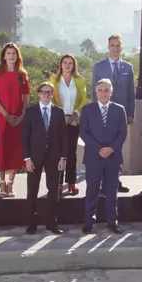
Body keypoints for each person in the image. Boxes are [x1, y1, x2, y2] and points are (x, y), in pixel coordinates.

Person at [79, 79, 127, 234]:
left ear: (111, 92)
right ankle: (88, 222)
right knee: (92, 190)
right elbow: (84, 133)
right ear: (96, 92)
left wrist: (111, 148)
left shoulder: (120, 110)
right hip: (94, 157)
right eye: (100, 90)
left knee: (111, 191)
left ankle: (112, 222)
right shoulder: (87, 110)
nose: (104, 93)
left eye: (107, 90)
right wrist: (99, 149)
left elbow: (122, 133)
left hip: (113, 157)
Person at [91, 34, 135, 193]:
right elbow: (92, 92)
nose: (115, 48)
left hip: (120, 114)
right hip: (102, 113)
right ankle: (103, 182)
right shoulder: (99, 67)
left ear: (121, 48)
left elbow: (131, 91)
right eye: (113, 45)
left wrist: (131, 112)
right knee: (103, 147)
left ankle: (116, 180)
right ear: (108, 47)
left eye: (118, 46)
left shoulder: (128, 67)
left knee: (117, 147)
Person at [22, 82, 67, 235]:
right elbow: (25, 137)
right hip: (34, 157)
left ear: (52, 94)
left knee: (53, 190)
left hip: (54, 156)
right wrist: (27, 158)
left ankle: (52, 223)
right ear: (38, 94)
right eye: (44, 92)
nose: (47, 95)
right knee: (32, 190)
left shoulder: (59, 112)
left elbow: (63, 137)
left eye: (49, 92)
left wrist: (63, 157)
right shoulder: (30, 112)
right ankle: (31, 223)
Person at [0, 42, 30, 197]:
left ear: (17, 56)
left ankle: (11, 183)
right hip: (2, 117)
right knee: (2, 148)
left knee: (15, 149)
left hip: (19, 117)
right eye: (9, 53)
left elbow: (26, 98)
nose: (11, 56)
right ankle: (1, 182)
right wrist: (6, 115)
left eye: (14, 53)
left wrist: (21, 116)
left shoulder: (23, 74)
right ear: (4, 56)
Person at [50, 54, 88, 196]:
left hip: (73, 121)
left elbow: (84, 101)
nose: (67, 65)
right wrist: (61, 116)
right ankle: (58, 183)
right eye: (65, 62)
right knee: (58, 153)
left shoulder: (79, 80)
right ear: (60, 64)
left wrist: (74, 115)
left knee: (71, 153)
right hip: (58, 121)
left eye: (70, 63)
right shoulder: (54, 80)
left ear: (74, 65)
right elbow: (50, 99)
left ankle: (71, 183)